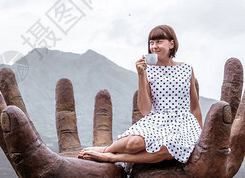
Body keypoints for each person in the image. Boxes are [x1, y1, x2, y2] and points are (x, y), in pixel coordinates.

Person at [78, 25, 202, 164]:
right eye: (151, 43)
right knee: (134, 144)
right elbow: (145, 110)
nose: (154, 46)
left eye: (159, 41)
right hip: (157, 121)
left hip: (183, 123)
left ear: (171, 44)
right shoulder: (147, 70)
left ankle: (112, 157)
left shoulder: (186, 69)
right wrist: (141, 75)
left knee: (167, 149)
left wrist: (202, 136)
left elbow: (195, 107)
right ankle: (106, 149)